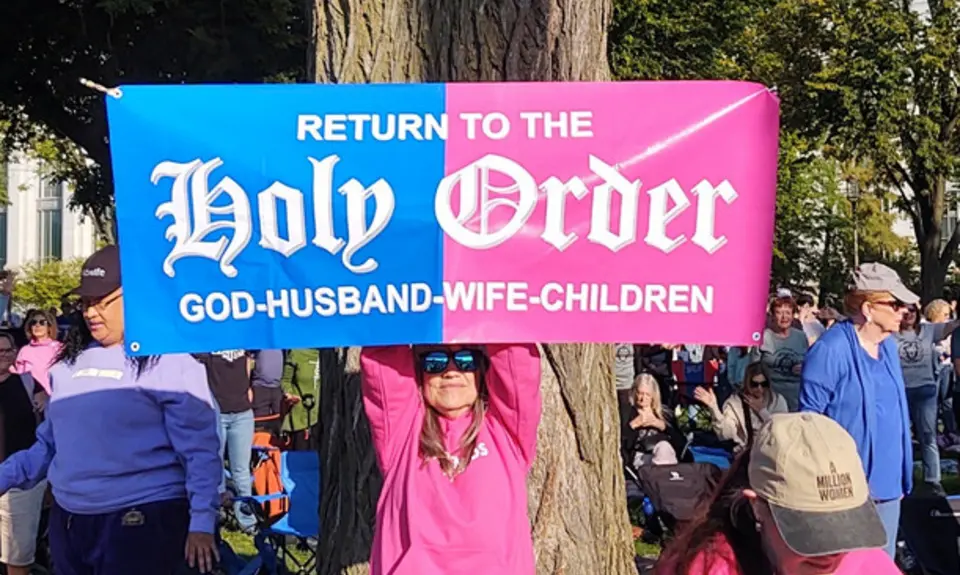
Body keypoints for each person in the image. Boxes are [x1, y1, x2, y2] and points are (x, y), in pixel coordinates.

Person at [0, 245, 222, 574]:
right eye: (86, 302)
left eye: (103, 302)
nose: (91, 312)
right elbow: (48, 446)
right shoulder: (68, 365)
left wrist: (202, 522)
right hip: (71, 525)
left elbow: (200, 452)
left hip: (143, 522)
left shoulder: (170, 363)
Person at [360, 344, 541, 575]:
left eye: (467, 360)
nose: (451, 371)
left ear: (482, 370)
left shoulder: (507, 433)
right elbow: (383, 362)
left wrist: (489, 313)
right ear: (419, 373)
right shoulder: (402, 433)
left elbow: (517, 362)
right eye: (435, 362)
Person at [657, 413, 900, 575]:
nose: (832, 551)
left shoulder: (868, 563)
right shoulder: (713, 566)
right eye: (813, 529)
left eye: (845, 526)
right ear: (758, 507)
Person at [799, 262, 915, 559]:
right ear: (868, 308)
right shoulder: (830, 350)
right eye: (895, 303)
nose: (904, 310)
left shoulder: (888, 346)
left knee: (882, 564)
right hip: (847, 488)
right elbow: (809, 424)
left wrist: (902, 473)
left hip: (890, 485)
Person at [894, 302, 960, 495]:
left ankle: (933, 480)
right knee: (901, 436)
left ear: (918, 312)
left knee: (928, 435)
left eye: (912, 310)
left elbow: (952, 325)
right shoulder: (890, 334)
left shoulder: (929, 330)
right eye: (904, 310)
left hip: (926, 390)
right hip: (901, 390)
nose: (909, 314)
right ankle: (902, 478)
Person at [193, 348, 256, 533]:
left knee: (242, 470)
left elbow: (248, 360)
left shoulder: (242, 338)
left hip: (242, 412)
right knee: (215, 466)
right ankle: (215, 517)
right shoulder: (207, 343)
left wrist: (248, 387)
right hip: (217, 411)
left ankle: (247, 521)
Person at [0, 332, 45, 575]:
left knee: (17, 555)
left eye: (7, 350)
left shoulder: (28, 384)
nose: (2, 355)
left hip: (20, 485)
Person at [694, 362, 788, 453]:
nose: (760, 389)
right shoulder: (735, 402)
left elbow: (782, 432)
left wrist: (762, 411)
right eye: (754, 384)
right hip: (746, 454)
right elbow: (725, 434)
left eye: (764, 384)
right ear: (747, 383)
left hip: (772, 452)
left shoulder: (778, 401)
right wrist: (714, 407)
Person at [760, 295, 808, 411]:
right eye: (779, 312)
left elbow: (810, 364)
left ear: (793, 315)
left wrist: (804, 367)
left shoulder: (801, 336)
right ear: (772, 315)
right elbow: (753, 370)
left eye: (787, 313)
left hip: (796, 398)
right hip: (771, 400)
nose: (784, 317)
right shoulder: (764, 337)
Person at [621, 374, 679, 470]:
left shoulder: (664, 414)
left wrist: (663, 426)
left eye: (647, 394)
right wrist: (632, 426)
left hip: (666, 455)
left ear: (653, 395)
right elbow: (622, 445)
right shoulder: (627, 413)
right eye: (640, 393)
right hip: (641, 458)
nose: (643, 398)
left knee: (664, 448)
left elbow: (680, 443)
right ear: (634, 392)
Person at [12, 308, 61, 399]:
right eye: (34, 322)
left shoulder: (59, 348)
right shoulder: (24, 350)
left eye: (42, 322)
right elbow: (21, 377)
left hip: (55, 398)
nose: (37, 325)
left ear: (50, 327)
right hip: (32, 399)